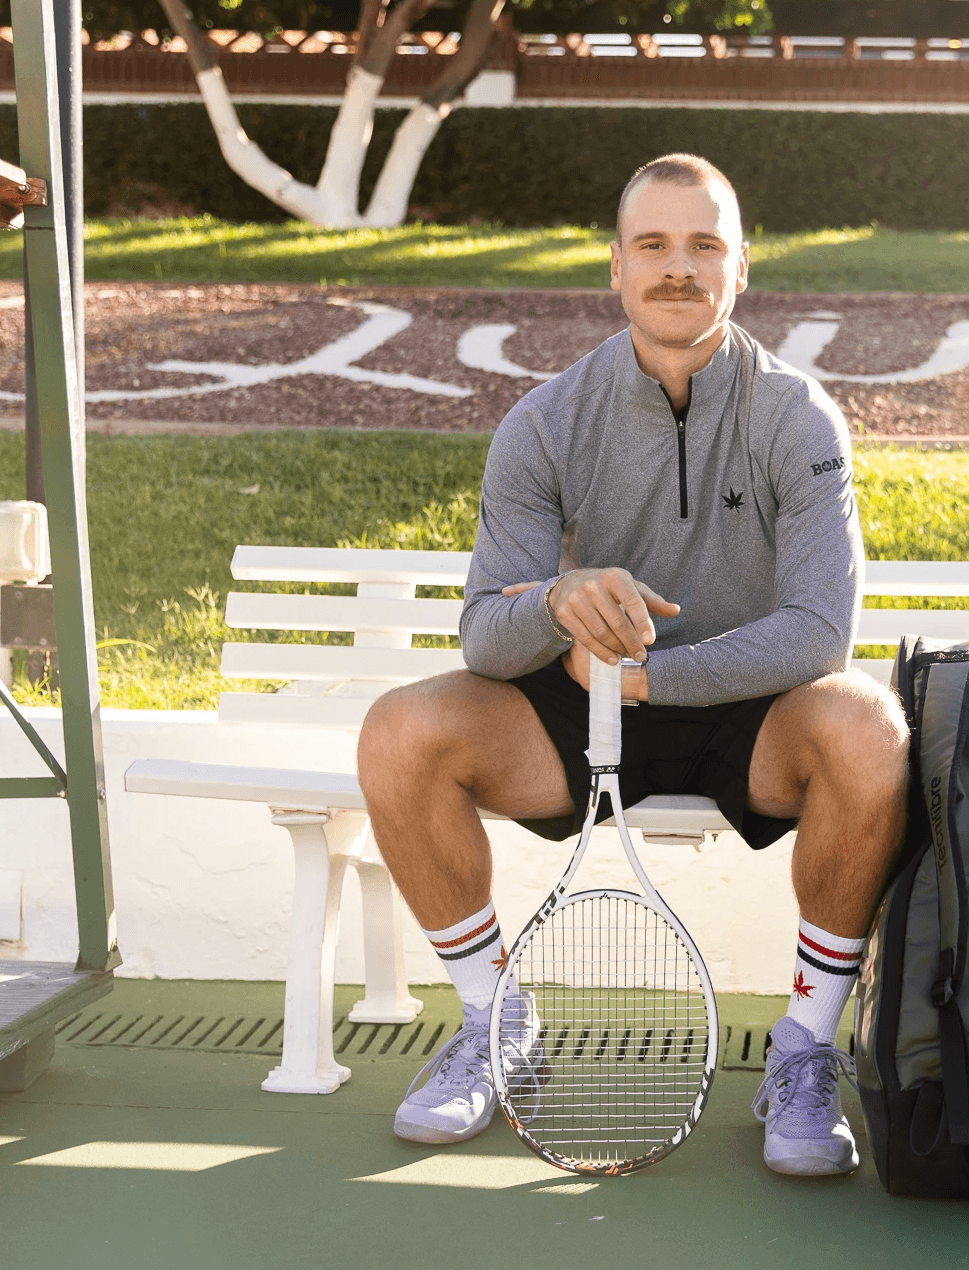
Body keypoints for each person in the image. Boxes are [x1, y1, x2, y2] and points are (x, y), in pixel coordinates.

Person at [356, 153, 909, 1177]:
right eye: (653, 245)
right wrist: (555, 601)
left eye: (703, 246)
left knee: (867, 726)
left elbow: (819, 632)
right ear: (614, 267)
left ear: (742, 268)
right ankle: (492, 1020)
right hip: (580, 704)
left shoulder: (799, 417)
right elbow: (485, 633)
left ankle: (803, 1048)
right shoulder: (543, 423)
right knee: (400, 729)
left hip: (752, 711)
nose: (677, 268)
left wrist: (656, 678)